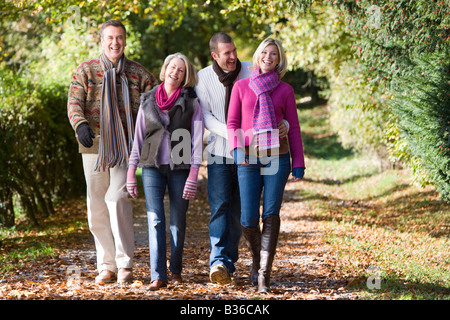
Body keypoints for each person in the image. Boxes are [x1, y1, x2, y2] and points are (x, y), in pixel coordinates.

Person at [67, 20, 157, 284]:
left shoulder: (139, 74)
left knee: (116, 199)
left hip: (126, 149)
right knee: (96, 206)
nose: (115, 43)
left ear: (125, 41)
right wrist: (80, 124)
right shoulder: (86, 70)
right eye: (110, 38)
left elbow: (155, 108)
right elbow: (74, 102)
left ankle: (124, 263)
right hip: (93, 145)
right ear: (102, 41)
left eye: (119, 38)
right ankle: (106, 265)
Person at [196, 33, 289, 285]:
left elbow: (274, 100)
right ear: (215, 55)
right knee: (219, 207)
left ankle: (233, 263)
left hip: (251, 155)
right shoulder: (202, 78)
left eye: (234, 50)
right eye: (226, 53)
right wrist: (235, 135)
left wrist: (286, 123)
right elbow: (206, 117)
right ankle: (218, 261)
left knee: (241, 212)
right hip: (220, 151)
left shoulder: (251, 69)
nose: (233, 56)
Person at [227, 38, 305, 292]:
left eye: (274, 54)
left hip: (278, 157)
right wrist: (237, 150)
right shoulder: (241, 87)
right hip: (248, 158)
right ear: (258, 55)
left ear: (279, 60)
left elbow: (293, 128)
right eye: (265, 52)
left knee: (271, 214)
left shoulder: (285, 90)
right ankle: (256, 260)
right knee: (248, 218)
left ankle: (264, 274)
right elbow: (233, 123)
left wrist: (298, 162)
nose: (269, 57)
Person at [126, 53, 204, 291]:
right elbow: (138, 136)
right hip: (151, 168)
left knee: (177, 222)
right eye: (172, 67)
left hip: (180, 168)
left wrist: (193, 174)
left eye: (181, 70)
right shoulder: (147, 99)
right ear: (165, 69)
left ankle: (176, 270)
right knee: (155, 219)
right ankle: (158, 275)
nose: (175, 72)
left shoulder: (192, 103)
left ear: (185, 75)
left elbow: (198, 141)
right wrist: (131, 172)